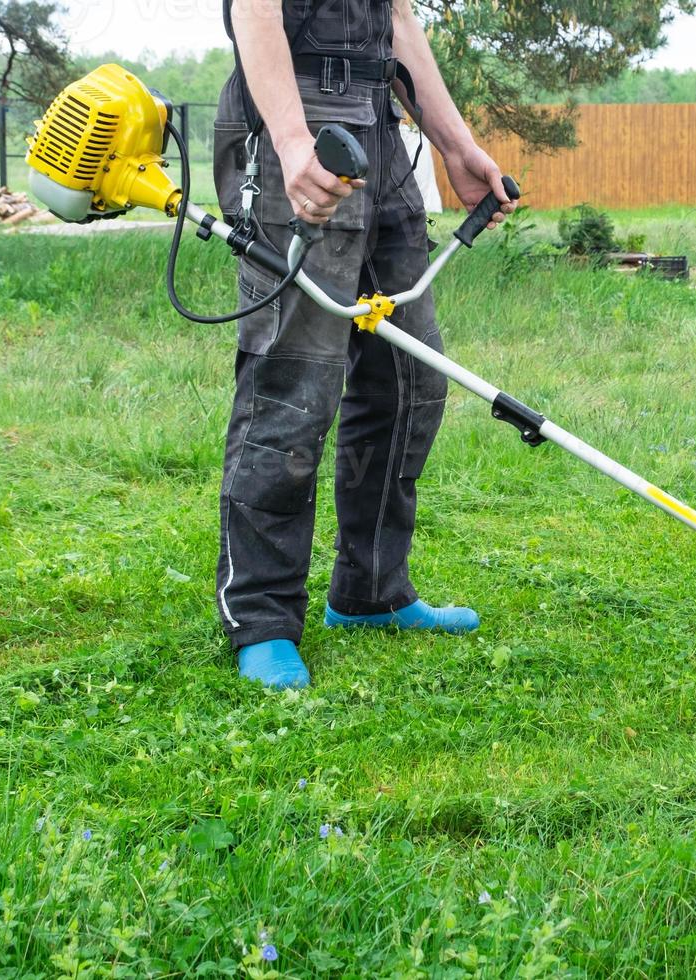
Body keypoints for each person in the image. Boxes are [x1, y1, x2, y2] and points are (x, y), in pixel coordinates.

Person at [213, 0, 517, 689]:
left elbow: (399, 20)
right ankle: (260, 617)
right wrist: (292, 145)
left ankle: (371, 590)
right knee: (293, 389)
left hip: (377, 125)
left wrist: (456, 144)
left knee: (409, 380)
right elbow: (254, 12)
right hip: (296, 122)